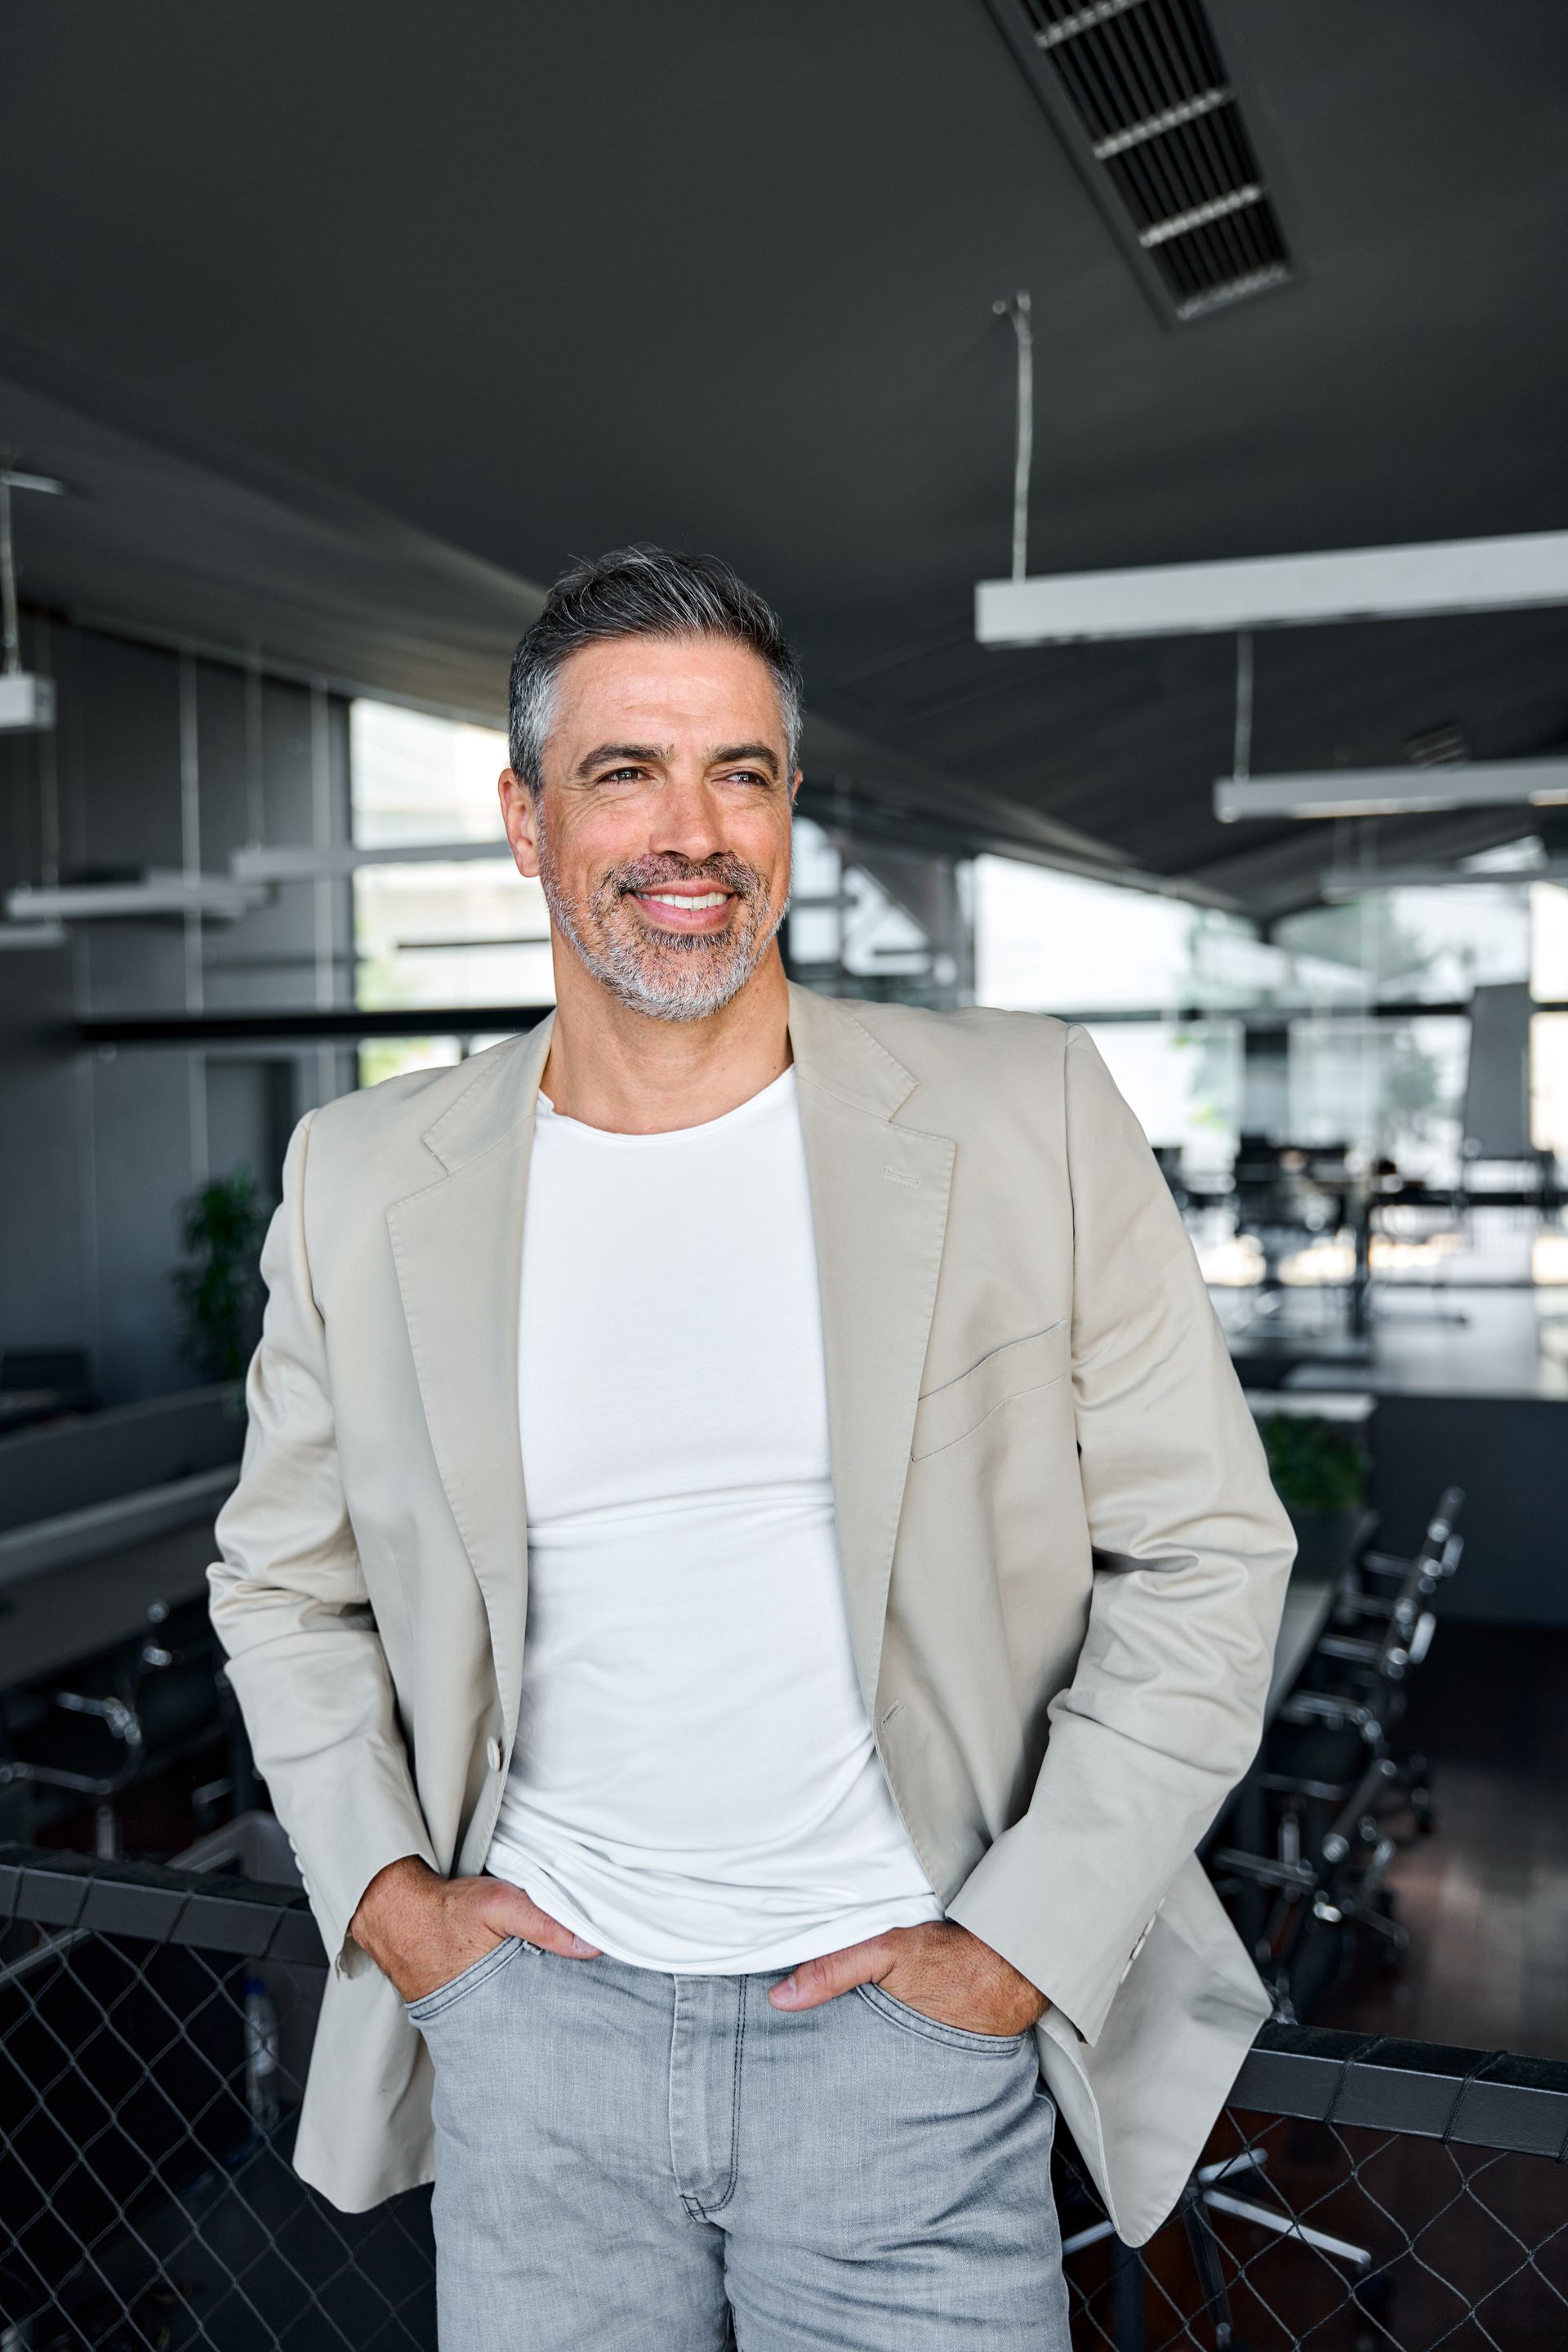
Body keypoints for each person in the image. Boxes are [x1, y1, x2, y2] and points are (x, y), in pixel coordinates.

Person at [210, 544, 1295, 2349]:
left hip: (907, 2050)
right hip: (533, 2046)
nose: (692, 834)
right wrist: (394, 1904)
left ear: (791, 803)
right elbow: (281, 1587)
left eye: (741, 772)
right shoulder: (363, 1175)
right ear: (526, 819)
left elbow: (1208, 1555)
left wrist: (1010, 1950)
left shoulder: (1024, 1114)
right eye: (624, 772)